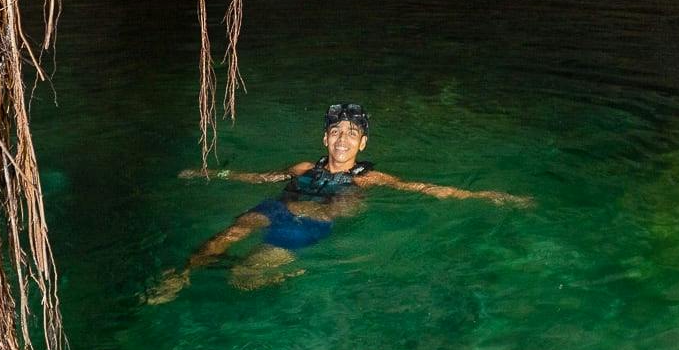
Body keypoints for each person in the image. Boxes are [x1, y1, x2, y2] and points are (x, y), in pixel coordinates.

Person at [145, 102, 532, 303]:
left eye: (352, 133)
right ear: (325, 139)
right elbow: (258, 177)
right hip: (275, 207)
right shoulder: (302, 167)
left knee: (242, 278)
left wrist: (486, 196)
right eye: (335, 132)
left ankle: (272, 273)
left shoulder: (370, 177)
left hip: (310, 223)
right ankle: (183, 274)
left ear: (363, 143)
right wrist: (211, 174)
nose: (342, 139)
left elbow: (427, 189)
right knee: (220, 240)